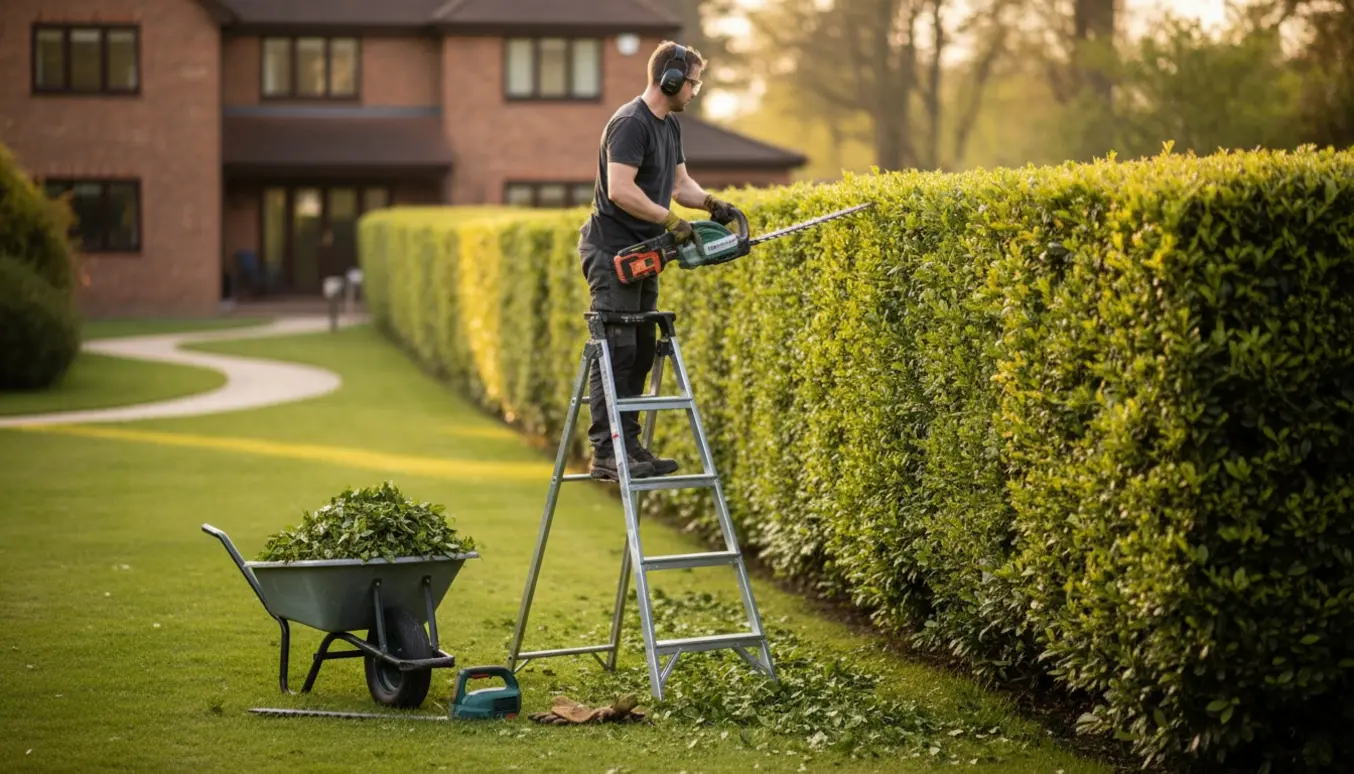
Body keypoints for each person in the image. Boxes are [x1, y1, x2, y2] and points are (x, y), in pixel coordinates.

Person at [577, 41, 742, 482]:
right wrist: (672, 220)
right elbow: (621, 189)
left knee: (643, 348)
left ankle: (630, 447)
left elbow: (679, 183)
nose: (694, 91)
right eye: (692, 82)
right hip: (613, 251)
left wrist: (710, 204)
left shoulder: (668, 127)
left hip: (646, 253)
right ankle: (605, 452)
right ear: (669, 78)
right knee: (617, 349)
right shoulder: (631, 123)